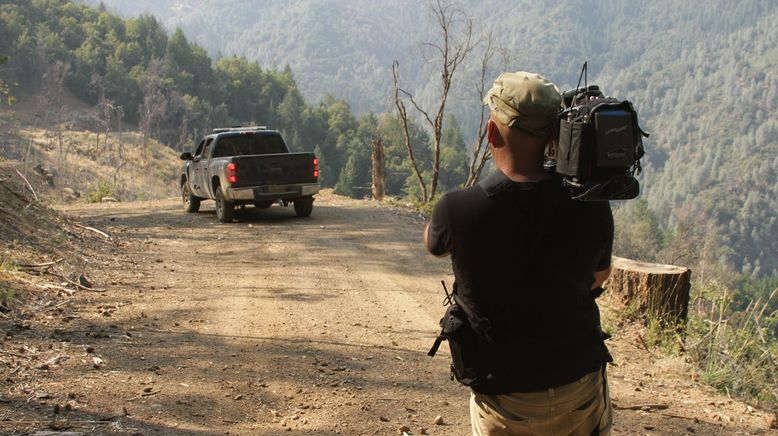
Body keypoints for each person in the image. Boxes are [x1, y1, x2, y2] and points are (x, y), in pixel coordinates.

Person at [424, 71, 614, 435]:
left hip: (504, 398)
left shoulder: (458, 208)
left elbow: (434, 246)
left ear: (491, 133)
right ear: (555, 134)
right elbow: (598, 278)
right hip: (580, 388)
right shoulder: (590, 202)